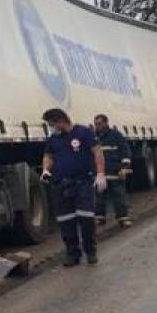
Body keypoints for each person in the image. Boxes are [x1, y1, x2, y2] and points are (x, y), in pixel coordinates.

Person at [41, 108, 107, 266]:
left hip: (82, 182)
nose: (51, 128)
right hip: (61, 185)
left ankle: (90, 252)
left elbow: (97, 152)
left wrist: (100, 173)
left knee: (86, 219)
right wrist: (46, 170)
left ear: (60, 121)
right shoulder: (54, 139)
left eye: (52, 124)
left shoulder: (84, 132)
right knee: (66, 221)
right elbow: (48, 156)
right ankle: (72, 254)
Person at [92, 114, 133, 227]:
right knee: (99, 198)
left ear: (106, 123)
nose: (97, 126)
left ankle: (123, 218)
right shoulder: (94, 138)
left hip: (115, 172)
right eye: (96, 124)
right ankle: (100, 218)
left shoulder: (116, 135)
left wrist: (124, 167)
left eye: (99, 124)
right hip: (100, 174)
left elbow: (125, 151)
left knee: (119, 197)